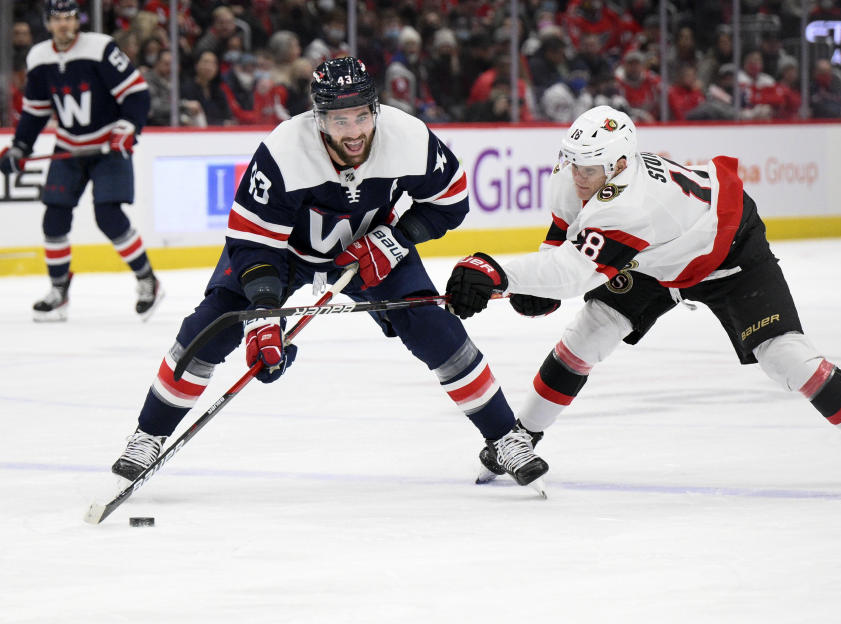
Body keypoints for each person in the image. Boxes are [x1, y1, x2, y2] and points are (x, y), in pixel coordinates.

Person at [444, 105, 841, 490]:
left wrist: (499, 273)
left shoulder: (631, 205)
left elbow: (574, 272)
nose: (577, 175)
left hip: (727, 250)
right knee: (588, 334)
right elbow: (562, 236)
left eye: (589, 167)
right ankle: (522, 437)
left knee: (786, 356)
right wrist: (534, 280)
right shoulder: (582, 175)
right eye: (573, 162)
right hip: (657, 258)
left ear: (619, 164)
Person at [109, 57, 548, 491]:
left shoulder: (408, 138)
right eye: (339, 120)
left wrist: (396, 239)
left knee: (433, 325)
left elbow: (451, 201)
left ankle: (504, 437)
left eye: (361, 115)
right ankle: (148, 435)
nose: (354, 131)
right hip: (284, 253)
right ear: (318, 118)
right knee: (212, 325)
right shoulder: (284, 151)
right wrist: (266, 312)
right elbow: (253, 242)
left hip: (373, 246)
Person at [0, 0, 163, 322]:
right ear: (48, 23)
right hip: (69, 146)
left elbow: (136, 93)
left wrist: (127, 128)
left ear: (78, 20)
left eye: (70, 17)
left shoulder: (100, 48)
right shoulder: (39, 57)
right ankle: (59, 291)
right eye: (58, 18)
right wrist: (20, 147)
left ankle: (148, 280)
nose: (65, 24)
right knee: (54, 218)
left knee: (108, 216)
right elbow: (35, 111)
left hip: (107, 145)